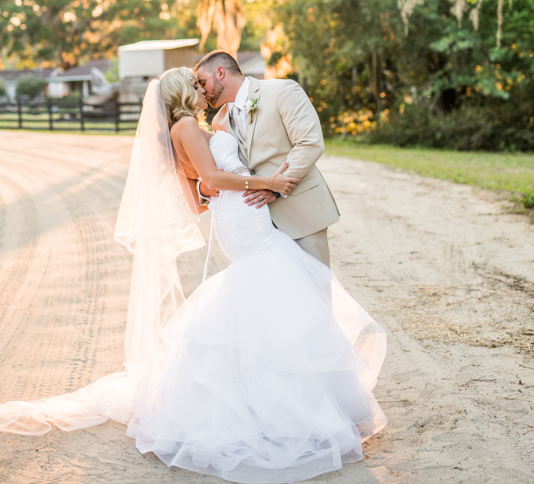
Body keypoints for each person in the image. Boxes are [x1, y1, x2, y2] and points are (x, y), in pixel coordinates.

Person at [0, 67, 386, 484]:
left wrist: (215, 185)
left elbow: (200, 194)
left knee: (265, 297)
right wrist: (268, 182)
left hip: (238, 215)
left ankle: (284, 393)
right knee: (277, 287)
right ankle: (286, 405)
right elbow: (214, 178)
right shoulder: (185, 126)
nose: (202, 88)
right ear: (184, 90)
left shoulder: (185, 129)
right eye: (196, 83)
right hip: (246, 217)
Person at [195, 51, 340, 268]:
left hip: (301, 211)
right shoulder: (219, 122)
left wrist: (274, 188)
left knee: (314, 291)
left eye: (202, 82)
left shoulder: (282, 91)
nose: (202, 91)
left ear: (220, 73)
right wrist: (204, 189)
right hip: (257, 226)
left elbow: (309, 143)